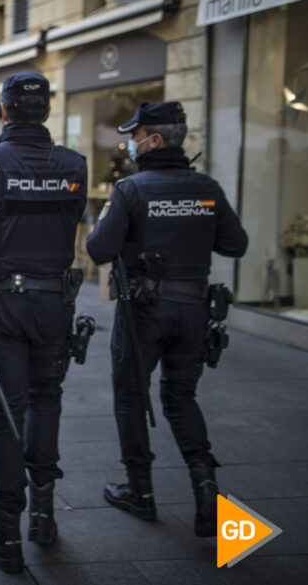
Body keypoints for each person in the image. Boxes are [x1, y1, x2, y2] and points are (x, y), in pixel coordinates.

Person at [87, 101, 248, 537]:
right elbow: (236, 244)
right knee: (181, 399)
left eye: (135, 136)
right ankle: (207, 492)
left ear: (154, 140)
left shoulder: (131, 189)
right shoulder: (207, 187)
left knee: (131, 397)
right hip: (195, 312)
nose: (131, 143)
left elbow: (99, 250)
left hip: (144, 314)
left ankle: (139, 492)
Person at [0, 72, 87, 574]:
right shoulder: (75, 164)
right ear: (46, 111)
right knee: (46, 399)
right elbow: (72, 214)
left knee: (2, 413)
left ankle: (6, 534)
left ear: (4, 110)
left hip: (2, 304)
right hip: (55, 302)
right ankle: (44, 518)